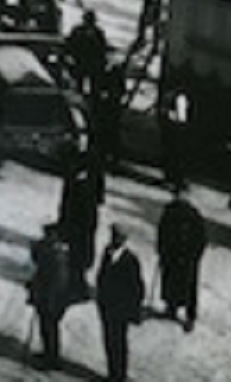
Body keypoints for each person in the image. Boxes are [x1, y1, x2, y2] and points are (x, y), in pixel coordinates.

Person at [94, 225, 146, 382]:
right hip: (106, 306)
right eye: (113, 236)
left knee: (119, 343)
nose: (114, 239)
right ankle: (112, 374)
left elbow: (138, 288)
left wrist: (133, 311)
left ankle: (120, 376)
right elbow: (101, 276)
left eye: (118, 237)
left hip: (121, 309)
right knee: (109, 341)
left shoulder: (131, 260)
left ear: (124, 240)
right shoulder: (107, 252)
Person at [156, 181, 209, 332]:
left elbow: (201, 238)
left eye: (182, 194)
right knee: (170, 281)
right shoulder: (169, 210)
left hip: (187, 257)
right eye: (177, 194)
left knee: (189, 287)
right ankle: (171, 308)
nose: (179, 197)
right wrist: (161, 249)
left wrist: (195, 255)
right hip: (171, 254)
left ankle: (190, 317)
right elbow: (162, 230)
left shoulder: (194, 214)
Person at [26, 222, 75, 370]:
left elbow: (58, 281)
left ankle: (52, 359)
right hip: (44, 295)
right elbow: (36, 259)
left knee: (50, 328)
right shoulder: (49, 249)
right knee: (45, 327)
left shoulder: (58, 254)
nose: (46, 237)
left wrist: (48, 299)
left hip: (53, 299)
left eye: (48, 235)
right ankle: (48, 353)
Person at [56, 150, 103, 301]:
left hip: (83, 225)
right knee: (74, 257)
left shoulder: (92, 169)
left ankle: (78, 287)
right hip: (74, 223)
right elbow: (65, 201)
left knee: (81, 257)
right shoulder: (71, 173)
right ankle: (74, 285)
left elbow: (98, 196)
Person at [66, 10, 110, 98]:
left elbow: (102, 47)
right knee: (79, 77)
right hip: (80, 60)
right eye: (88, 20)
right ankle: (79, 92)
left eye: (91, 21)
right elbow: (70, 43)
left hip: (93, 62)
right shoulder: (77, 30)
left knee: (95, 79)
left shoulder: (98, 32)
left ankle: (94, 95)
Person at [159, 88, 192, 189]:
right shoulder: (175, 97)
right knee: (175, 156)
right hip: (175, 129)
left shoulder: (170, 95)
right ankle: (174, 179)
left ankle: (173, 178)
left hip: (174, 129)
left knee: (173, 156)